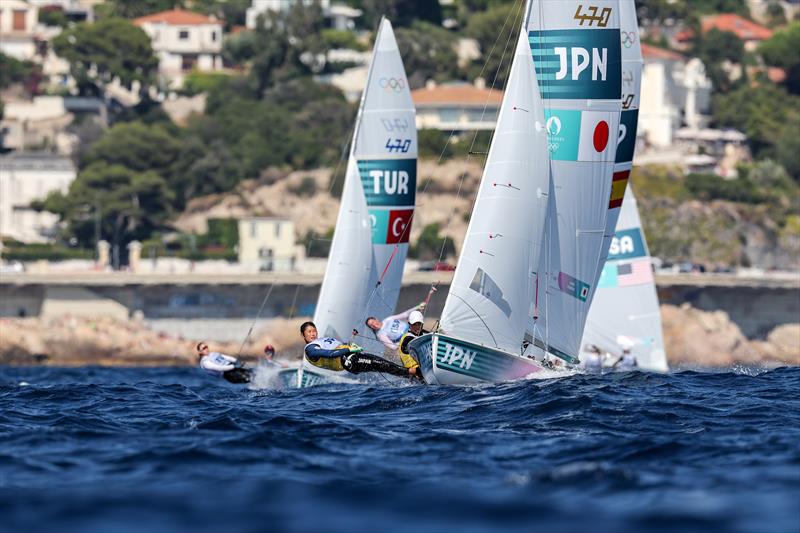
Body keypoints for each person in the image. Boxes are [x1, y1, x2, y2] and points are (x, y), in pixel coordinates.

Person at [300, 321, 417, 380]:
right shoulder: (310, 349)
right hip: (348, 361)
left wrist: (349, 343)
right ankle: (411, 372)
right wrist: (348, 348)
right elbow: (330, 354)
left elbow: (341, 346)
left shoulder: (321, 340)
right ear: (303, 335)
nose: (313, 333)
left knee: (381, 364)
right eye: (309, 332)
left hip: (351, 358)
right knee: (379, 363)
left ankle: (410, 376)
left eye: (314, 330)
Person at [397, 310, 427, 380]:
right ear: (409, 324)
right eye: (414, 324)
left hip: (423, 370)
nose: (417, 327)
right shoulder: (407, 338)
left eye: (419, 324)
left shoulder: (422, 333)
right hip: (414, 373)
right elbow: (415, 342)